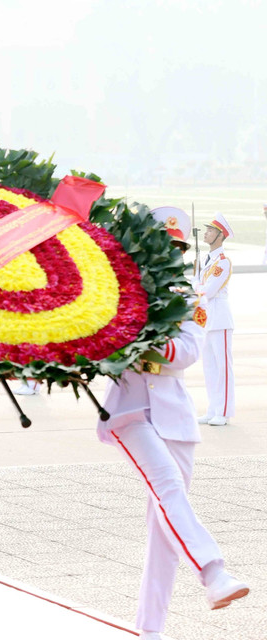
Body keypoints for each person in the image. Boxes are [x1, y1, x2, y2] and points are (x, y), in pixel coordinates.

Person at [99, 207, 248, 640]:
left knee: (165, 526)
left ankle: (150, 628)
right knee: (167, 487)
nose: (169, 252)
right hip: (128, 410)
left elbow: (188, 351)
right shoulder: (117, 289)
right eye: (161, 244)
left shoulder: (186, 295)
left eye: (177, 247)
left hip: (176, 417)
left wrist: (146, 344)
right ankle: (214, 573)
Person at [193, 212, 234, 426]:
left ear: (220, 236)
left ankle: (224, 411)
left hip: (219, 318)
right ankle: (212, 409)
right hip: (207, 318)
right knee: (209, 367)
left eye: (210, 230)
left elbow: (207, 291)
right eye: (207, 230)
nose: (206, 233)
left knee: (223, 367)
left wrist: (196, 286)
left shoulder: (223, 261)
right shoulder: (207, 259)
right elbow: (198, 287)